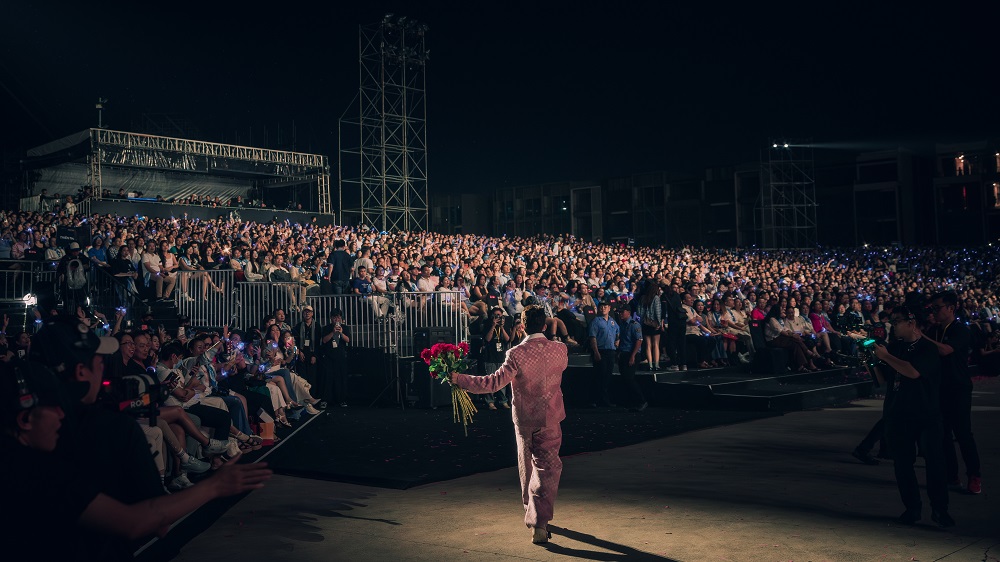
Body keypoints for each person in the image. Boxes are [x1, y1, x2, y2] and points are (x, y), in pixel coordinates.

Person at [0, 359, 272, 561]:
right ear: (24, 418)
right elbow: (136, 522)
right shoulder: (33, 472)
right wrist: (214, 486)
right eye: (55, 409)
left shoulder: (26, 458)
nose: (62, 417)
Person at [449, 305, 568, 544]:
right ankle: (539, 521)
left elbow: (493, 383)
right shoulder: (560, 350)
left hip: (525, 419)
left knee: (527, 466)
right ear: (544, 326)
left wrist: (460, 379)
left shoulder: (516, 353)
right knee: (548, 468)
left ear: (522, 326)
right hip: (551, 416)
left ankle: (532, 512)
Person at [873, 306, 954, 527]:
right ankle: (912, 508)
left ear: (911, 322)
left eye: (897, 322)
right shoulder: (895, 347)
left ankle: (940, 510)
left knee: (935, 463)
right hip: (898, 414)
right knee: (902, 464)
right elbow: (882, 379)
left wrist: (886, 356)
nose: (893, 326)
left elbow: (913, 372)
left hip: (926, 414)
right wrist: (872, 362)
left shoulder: (927, 348)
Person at [926, 291, 982, 495]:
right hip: (939, 388)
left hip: (958, 388)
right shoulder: (934, 330)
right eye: (932, 308)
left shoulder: (960, 330)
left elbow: (945, 350)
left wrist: (919, 336)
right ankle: (952, 476)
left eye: (937, 307)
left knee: (963, 434)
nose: (934, 312)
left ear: (951, 308)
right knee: (943, 436)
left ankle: (974, 476)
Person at [479, 306, 512, 410]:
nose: (499, 317)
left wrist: (501, 327)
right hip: (490, 357)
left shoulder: (504, 326)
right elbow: (487, 339)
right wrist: (493, 326)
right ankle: (490, 401)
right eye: (496, 315)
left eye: (500, 316)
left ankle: (503, 401)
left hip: (501, 357)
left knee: (502, 381)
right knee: (490, 380)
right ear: (492, 316)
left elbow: (508, 339)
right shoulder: (487, 324)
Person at [587, 301, 619, 407]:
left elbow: (617, 332)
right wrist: (596, 352)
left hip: (611, 351)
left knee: (607, 376)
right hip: (601, 350)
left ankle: (603, 399)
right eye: (601, 307)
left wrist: (617, 340)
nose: (603, 308)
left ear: (609, 308)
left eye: (605, 306)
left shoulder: (613, 321)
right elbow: (593, 337)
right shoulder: (596, 321)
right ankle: (598, 400)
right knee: (600, 375)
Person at [617, 304, 647, 411]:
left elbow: (639, 341)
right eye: (619, 312)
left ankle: (641, 400)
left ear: (628, 312)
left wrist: (633, 356)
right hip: (624, 353)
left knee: (629, 378)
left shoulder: (634, 324)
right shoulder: (622, 324)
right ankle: (631, 402)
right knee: (625, 379)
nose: (620, 314)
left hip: (631, 353)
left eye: (622, 312)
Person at [320, 308, 351, 407]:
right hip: (329, 356)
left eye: (338, 317)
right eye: (334, 317)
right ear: (331, 318)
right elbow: (324, 340)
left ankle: (342, 399)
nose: (336, 319)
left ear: (341, 318)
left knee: (341, 378)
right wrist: (333, 332)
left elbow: (348, 340)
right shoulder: (326, 328)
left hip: (341, 356)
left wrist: (341, 333)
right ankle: (325, 399)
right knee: (327, 378)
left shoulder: (345, 327)